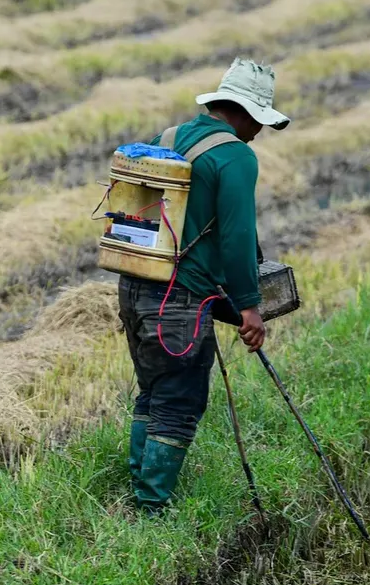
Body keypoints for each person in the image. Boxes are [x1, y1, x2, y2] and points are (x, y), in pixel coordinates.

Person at [118, 57, 290, 514]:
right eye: (260, 122)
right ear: (247, 113)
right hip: (179, 303)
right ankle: (150, 510)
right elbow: (236, 237)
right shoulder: (235, 155)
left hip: (135, 289)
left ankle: (139, 492)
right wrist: (250, 308)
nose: (259, 133)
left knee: (153, 392)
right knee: (179, 402)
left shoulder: (168, 138)